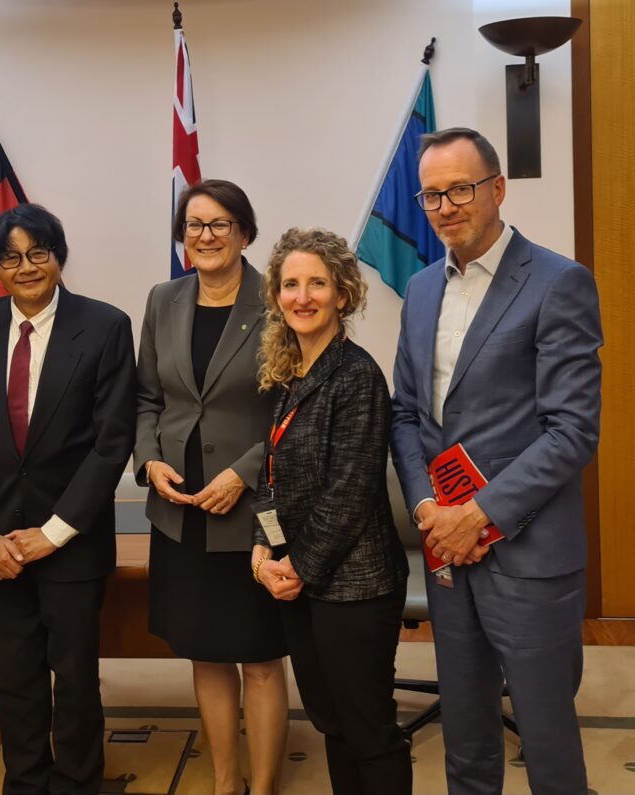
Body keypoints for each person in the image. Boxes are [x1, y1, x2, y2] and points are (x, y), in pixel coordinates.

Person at [390, 127, 602, 795]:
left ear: (497, 188)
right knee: (468, 735)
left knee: (545, 737)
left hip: (529, 552)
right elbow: (405, 415)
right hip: (448, 553)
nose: (446, 205)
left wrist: (478, 514)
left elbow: (571, 430)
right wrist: (429, 508)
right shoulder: (421, 289)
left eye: (461, 188)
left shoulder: (558, 282)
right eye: (431, 194)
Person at [0, 203, 137, 795]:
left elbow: (112, 443)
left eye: (38, 253)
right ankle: (24, 782)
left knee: (74, 677)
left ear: (58, 256)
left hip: (70, 540)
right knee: (14, 676)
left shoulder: (104, 325)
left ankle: (78, 782)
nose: (25, 267)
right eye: (10, 258)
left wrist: (54, 532)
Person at [134, 180, 288, 795]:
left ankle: (267, 782)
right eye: (195, 225)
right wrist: (148, 460)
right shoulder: (162, 298)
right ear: (181, 236)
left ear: (246, 232)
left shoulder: (277, 301)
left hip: (249, 508)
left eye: (221, 224)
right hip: (179, 508)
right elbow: (147, 398)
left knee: (259, 655)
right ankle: (226, 781)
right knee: (206, 651)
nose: (206, 236)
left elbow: (291, 409)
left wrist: (243, 473)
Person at [251, 227, 411, 795]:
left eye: (316, 283)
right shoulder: (290, 372)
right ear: (275, 296)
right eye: (290, 284)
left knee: (369, 732)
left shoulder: (357, 375)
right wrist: (262, 547)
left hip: (354, 587)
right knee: (331, 725)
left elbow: (348, 494)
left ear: (342, 294)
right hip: (304, 580)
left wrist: (294, 568)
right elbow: (272, 474)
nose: (302, 296)